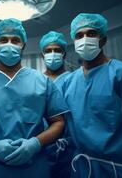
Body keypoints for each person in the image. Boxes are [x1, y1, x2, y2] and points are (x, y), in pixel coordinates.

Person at [0, 18, 68, 178]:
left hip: (34, 168)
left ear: (23, 45)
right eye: (3, 40)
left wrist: (35, 143)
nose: (9, 44)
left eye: (15, 40)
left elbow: (59, 122)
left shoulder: (42, 82)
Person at [62, 13, 122, 177]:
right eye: (79, 35)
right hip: (82, 167)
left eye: (91, 34)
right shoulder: (68, 82)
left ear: (103, 40)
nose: (85, 39)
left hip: (119, 168)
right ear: (74, 42)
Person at [39, 31, 74, 178]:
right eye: (48, 51)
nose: (52, 54)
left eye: (57, 50)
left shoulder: (74, 79)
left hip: (69, 149)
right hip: (40, 147)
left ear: (64, 54)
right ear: (42, 55)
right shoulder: (36, 81)